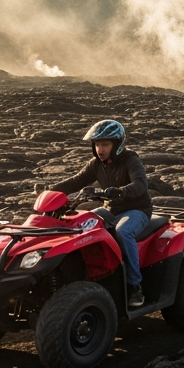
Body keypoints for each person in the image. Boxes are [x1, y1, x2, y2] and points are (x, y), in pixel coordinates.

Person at [49, 119, 151, 308]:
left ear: (117, 145)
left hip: (137, 211)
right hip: (111, 210)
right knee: (80, 226)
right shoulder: (96, 164)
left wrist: (120, 191)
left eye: (105, 144)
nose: (100, 149)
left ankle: (135, 286)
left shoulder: (131, 160)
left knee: (123, 232)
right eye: (97, 144)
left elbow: (140, 185)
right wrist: (50, 190)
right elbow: (75, 182)